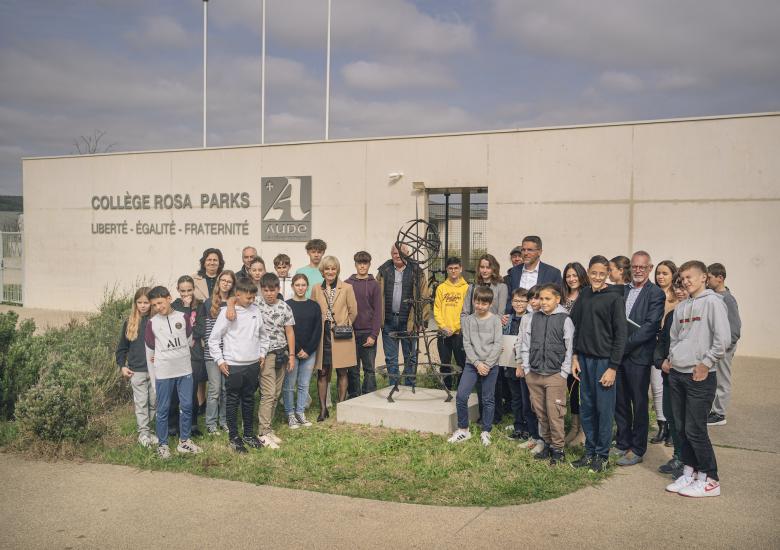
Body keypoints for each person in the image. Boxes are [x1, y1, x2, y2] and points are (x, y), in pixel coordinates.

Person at [664, 260, 730, 498]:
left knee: (695, 429)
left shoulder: (713, 302)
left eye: (690, 276)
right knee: (681, 429)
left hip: (699, 375)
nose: (686, 281)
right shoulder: (682, 306)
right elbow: (675, 338)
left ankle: (710, 479)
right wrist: (672, 358)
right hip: (678, 374)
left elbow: (723, 339)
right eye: (683, 278)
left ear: (704, 277)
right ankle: (690, 472)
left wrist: (706, 363)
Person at [569, 256, 627, 473]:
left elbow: (621, 335)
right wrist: (575, 356)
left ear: (607, 274)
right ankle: (590, 451)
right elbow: (575, 326)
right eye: (593, 273)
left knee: (604, 410)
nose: (597, 277)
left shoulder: (614, 298)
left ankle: (602, 455)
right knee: (587, 409)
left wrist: (613, 367)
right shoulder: (584, 295)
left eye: (602, 273)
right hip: (584, 359)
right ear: (588, 272)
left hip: (604, 362)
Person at [614, 251, 666, 467]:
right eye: (634, 267)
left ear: (649, 268)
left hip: (638, 357)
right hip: (619, 357)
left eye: (642, 267)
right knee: (621, 401)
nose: (637, 270)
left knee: (639, 403)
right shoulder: (621, 291)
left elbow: (650, 327)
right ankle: (622, 442)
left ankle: (637, 448)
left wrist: (623, 347)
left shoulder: (655, 294)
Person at [208, 277, 269, 454]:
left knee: (249, 399)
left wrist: (262, 353)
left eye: (253, 298)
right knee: (232, 400)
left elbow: (263, 335)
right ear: (238, 295)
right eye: (248, 298)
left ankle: (249, 434)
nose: (252, 301)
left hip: (252, 365)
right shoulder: (227, 312)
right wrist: (220, 360)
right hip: (233, 365)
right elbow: (213, 339)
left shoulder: (256, 311)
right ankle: (234, 437)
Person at [519, 283, 575, 465]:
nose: (543, 302)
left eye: (547, 298)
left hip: (554, 375)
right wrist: (527, 369)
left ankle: (558, 449)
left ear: (557, 299)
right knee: (541, 413)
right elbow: (526, 345)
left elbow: (570, 348)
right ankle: (548, 444)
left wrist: (564, 373)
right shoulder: (534, 318)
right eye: (541, 298)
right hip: (534, 374)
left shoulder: (564, 320)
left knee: (554, 413)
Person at [144, 286, 202, 459]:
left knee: (187, 406)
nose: (158, 307)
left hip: (184, 371)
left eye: (160, 303)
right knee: (163, 409)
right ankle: (163, 445)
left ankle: (184, 442)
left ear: (169, 298)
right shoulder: (152, 323)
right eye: (154, 305)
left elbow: (190, 341)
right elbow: (150, 354)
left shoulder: (183, 317)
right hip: (163, 374)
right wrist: (154, 381)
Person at [447, 286, 503, 447]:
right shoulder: (469, 320)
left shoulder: (495, 321)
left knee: (487, 398)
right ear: (473, 302)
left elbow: (498, 344)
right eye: (477, 302)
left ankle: (486, 430)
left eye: (483, 303)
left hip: (491, 365)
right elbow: (467, 343)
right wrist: (478, 364)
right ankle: (463, 429)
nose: (480, 306)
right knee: (461, 395)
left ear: (490, 304)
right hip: (472, 365)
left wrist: (487, 364)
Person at [462, 254, 510, 419]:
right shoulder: (472, 287)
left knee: (493, 379)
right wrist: (468, 330)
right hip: (474, 337)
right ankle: (482, 414)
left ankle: (496, 414)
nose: (484, 270)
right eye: (482, 267)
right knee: (477, 377)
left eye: (488, 267)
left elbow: (500, 315)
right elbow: (465, 313)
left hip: (492, 337)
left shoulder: (501, 287)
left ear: (493, 268)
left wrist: (495, 325)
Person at [376, 244, 430, 389]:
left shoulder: (416, 271)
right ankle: (394, 387)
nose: (397, 255)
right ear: (391, 254)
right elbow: (376, 296)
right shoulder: (383, 271)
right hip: (388, 321)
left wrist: (421, 321)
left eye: (401, 252)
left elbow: (424, 297)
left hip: (409, 322)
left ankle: (409, 386)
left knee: (410, 357)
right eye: (394, 252)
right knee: (391, 358)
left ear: (408, 253)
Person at [311, 256, 358, 420]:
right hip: (323, 336)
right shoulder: (316, 288)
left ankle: (341, 406)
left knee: (342, 371)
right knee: (323, 372)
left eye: (333, 268)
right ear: (322, 271)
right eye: (327, 269)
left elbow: (353, 311)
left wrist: (345, 325)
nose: (330, 271)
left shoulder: (347, 288)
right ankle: (323, 409)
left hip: (341, 335)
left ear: (337, 270)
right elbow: (313, 310)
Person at [254, 273, 295, 448]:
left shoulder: (285, 307)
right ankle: (262, 432)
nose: (269, 293)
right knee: (268, 393)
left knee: (276, 394)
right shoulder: (255, 303)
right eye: (266, 290)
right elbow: (234, 299)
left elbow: (290, 332)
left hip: (282, 354)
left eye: (272, 290)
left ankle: (268, 429)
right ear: (261, 290)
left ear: (278, 289)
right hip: (265, 355)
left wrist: (291, 355)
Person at [196, 270, 236, 435]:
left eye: (229, 281)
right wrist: (206, 345)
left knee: (227, 389)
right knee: (215, 389)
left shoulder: (234, 302)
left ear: (233, 284)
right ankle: (211, 424)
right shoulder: (208, 303)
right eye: (223, 280)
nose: (226, 283)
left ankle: (224, 421)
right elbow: (205, 329)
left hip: (229, 352)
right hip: (212, 353)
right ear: (219, 282)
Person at [116, 287, 157, 448]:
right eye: (139, 302)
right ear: (135, 304)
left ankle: (150, 431)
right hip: (136, 371)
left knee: (154, 402)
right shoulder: (130, 322)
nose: (142, 305)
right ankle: (143, 433)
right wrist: (122, 366)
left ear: (151, 303)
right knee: (141, 403)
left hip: (155, 371)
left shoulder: (156, 321)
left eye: (146, 302)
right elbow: (121, 348)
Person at [655, 274, 687, 479]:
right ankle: (678, 456)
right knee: (672, 416)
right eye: (677, 288)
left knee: (685, 421)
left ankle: (688, 463)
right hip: (669, 374)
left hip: (686, 375)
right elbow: (661, 343)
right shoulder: (671, 315)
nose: (679, 291)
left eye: (683, 287)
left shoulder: (698, 314)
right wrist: (660, 361)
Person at [170, 276, 206, 437]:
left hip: (194, 355)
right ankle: (173, 425)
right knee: (175, 392)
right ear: (178, 290)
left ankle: (192, 425)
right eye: (183, 291)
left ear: (194, 289)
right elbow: (174, 329)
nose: (186, 294)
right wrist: (185, 307)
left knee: (191, 392)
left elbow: (201, 329)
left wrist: (188, 332)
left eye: (189, 290)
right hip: (176, 355)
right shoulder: (174, 306)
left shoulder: (200, 306)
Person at [706, 262, 742, 426]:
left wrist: (725, 347)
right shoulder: (712, 296)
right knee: (714, 380)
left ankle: (719, 414)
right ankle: (712, 410)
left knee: (722, 380)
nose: (707, 281)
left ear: (720, 278)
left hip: (724, 348)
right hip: (715, 347)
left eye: (710, 278)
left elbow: (735, 328)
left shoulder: (728, 299)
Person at [284, 274, 322, 429]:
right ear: (293, 286)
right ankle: (290, 414)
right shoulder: (286, 305)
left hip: (309, 352)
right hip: (292, 351)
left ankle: (300, 412)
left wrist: (308, 349)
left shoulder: (314, 306)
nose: (300, 288)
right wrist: (298, 349)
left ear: (307, 286)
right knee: (289, 384)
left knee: (304, 384)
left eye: (303, 285)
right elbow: (287, 330)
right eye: (297, 285)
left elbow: (317, 330)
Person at [511, 286, 544, 454]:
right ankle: (532, 436)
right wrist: (519, 364)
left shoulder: (549, 318)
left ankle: (543, 439)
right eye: (531, 298)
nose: (534, 301)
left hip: (541, 370)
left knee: (538, 406)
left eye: (537, 298)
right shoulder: (526, 319)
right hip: (525, 368)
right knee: (526, 405)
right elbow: (519, 341)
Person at [345, 251, 382, 397]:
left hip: (368, 333)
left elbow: (378, 312)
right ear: (355, 264)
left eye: (365, 263)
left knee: (369, 368)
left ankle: (369, 397)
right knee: (353, 369)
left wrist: (374, 335)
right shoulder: (347, 284)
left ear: (369, 264)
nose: (362, 266)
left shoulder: (374, 285)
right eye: (359, 263)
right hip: (351, 332)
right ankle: (354, 397)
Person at [561, 262, 589, 447]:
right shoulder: (562, 297)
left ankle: (584, 432)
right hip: (565, 351)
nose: (571, 279)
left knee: (582, 391)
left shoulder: (587, 295)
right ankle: (574, 426)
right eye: (568, 276)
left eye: (574, 275)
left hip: (581, 349)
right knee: (571, 390)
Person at [650, 260, 678, 444]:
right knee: (656, 387)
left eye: (665, 273)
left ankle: (672, 429)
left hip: (672, 347)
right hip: (653, 345)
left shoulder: (679, 296)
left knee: (668, 389)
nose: (661, 276)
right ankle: (662, 426)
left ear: (673, 275)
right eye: (658, 273)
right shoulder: (652, 293)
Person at [434, 257, 469, 389]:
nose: (453, 271)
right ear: (447, 270)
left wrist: (454, 328)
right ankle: (447, 389)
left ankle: (461, 391)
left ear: (460, 269)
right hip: (443, 333)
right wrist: (443, 327)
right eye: (450, 268)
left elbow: (467, 312)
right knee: (445, 364)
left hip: (459, 333)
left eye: (456, 268)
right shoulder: (441, 288)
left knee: (461, 364)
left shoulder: (467, 288)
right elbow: (436, 309)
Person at [505, 235, 563, 312]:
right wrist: (508, 315)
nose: (525, 253)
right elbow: (509, 297)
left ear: (539, 252)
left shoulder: (553, 273)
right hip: (517, 319)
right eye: (523, 250)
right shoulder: (514, 272)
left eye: (530, 250)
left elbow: (558, 299)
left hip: (542, 319)